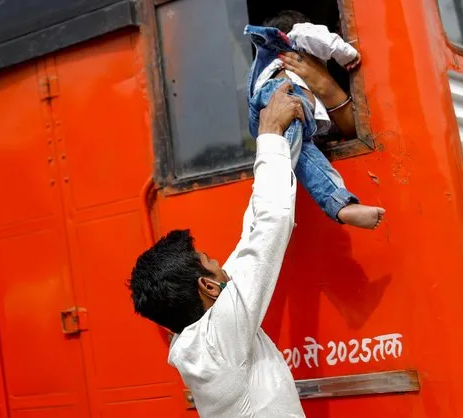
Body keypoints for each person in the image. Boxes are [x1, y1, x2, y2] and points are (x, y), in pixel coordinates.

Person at [129, 83, 306, 417]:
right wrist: (269, 133)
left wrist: (275, 150)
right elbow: (273, 223)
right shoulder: (220, 339)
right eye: (212, 265)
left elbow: (252, 236)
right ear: (209, 287)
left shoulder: (198, 340)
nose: (224, 266)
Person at [245, 11, 385, 230]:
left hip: (269, 113)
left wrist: (326, 87)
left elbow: (364, 134)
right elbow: (329, 42)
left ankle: (266, 208)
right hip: (283, 101)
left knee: (295, 153)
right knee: (283, 157)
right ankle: (270, 206)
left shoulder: (259, 72)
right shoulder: (300, 35)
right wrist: (349, 57)